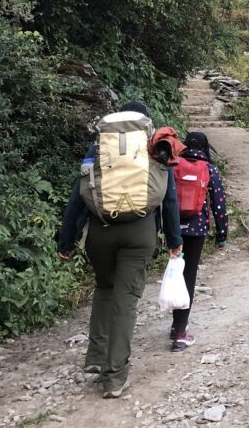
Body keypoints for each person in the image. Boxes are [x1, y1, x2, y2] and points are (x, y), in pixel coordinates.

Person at [57, 101, 182, 398]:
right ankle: (114, 379)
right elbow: (169, 199)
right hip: (140, 232)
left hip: (100, 231)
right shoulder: (155, 146)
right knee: (125, 302)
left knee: (104, 288)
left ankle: (96, 359)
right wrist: (174, 239)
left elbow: (79, 196)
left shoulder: (99, 146)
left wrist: (67, 240)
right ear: (145, 123)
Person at [170, 131, 228, 352]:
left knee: (174, 273)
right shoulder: (209, 169)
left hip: (174, 229)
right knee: (188, 277)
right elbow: (219, 206)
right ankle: (180, 332)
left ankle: (176, 325)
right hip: (196, 231)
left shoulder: (173, 165)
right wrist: (221, 236)